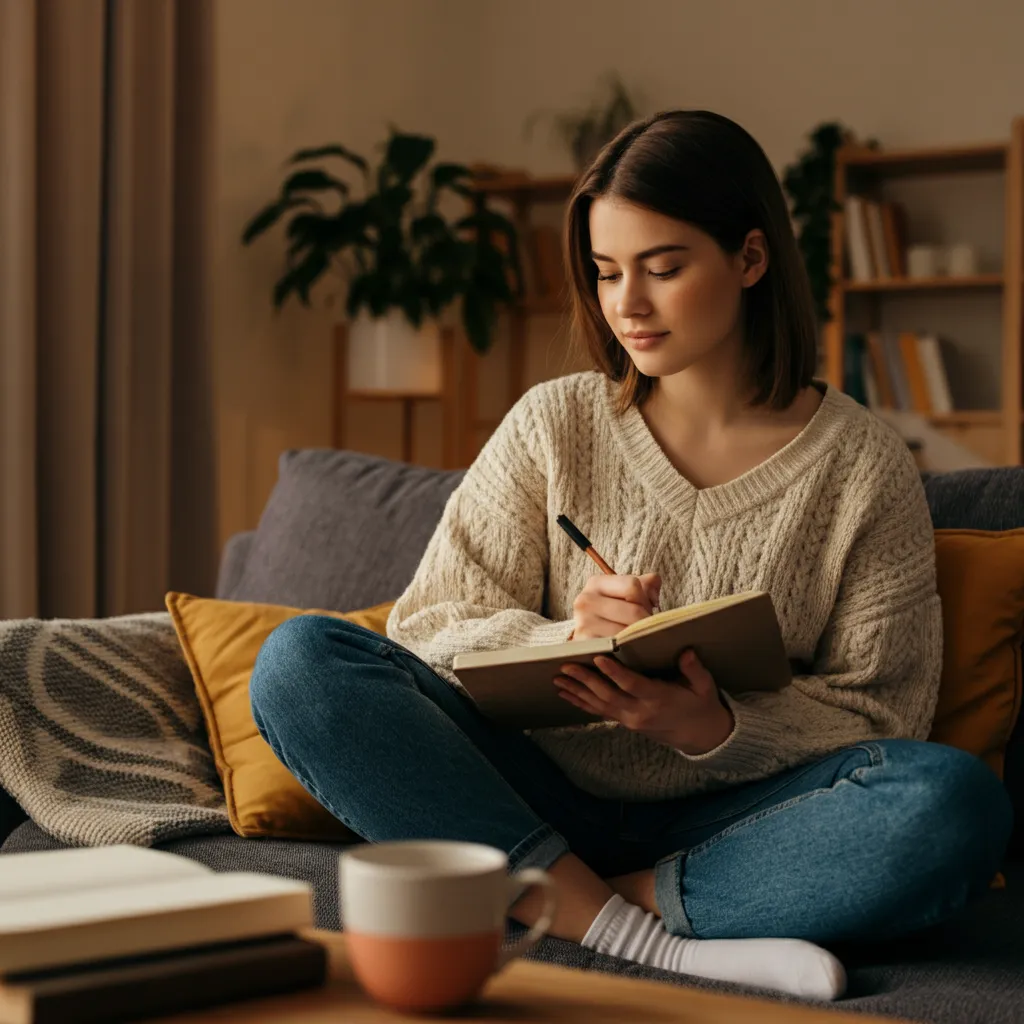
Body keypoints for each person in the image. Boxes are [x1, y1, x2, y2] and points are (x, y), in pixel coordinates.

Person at [249, 110, 1012, 1002]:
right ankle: (654, 940)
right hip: (531, 791)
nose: (627, 306)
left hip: (742, 821)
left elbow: (885, 715)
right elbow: (430, 623)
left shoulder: (861, 464)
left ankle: (591, 910)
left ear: (751, 260)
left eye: (664, 268)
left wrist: (714, 728)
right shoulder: (553, 423)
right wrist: (557, 635)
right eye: (608, 273)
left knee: (950, 804)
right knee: (301, 663)